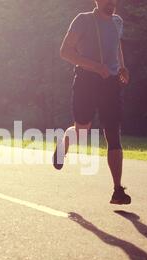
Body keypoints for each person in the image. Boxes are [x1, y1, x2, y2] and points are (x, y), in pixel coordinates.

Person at [54, 0, 131, 205]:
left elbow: (117, 45)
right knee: (82, 130)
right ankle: (65, 142)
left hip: (111, 83)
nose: (112, 3)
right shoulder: (83, 20)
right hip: (86, 81)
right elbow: (66, 52)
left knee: (113, 134)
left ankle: (117, 190)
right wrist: (96, 67)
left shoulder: (117, 22)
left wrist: (122, 67)